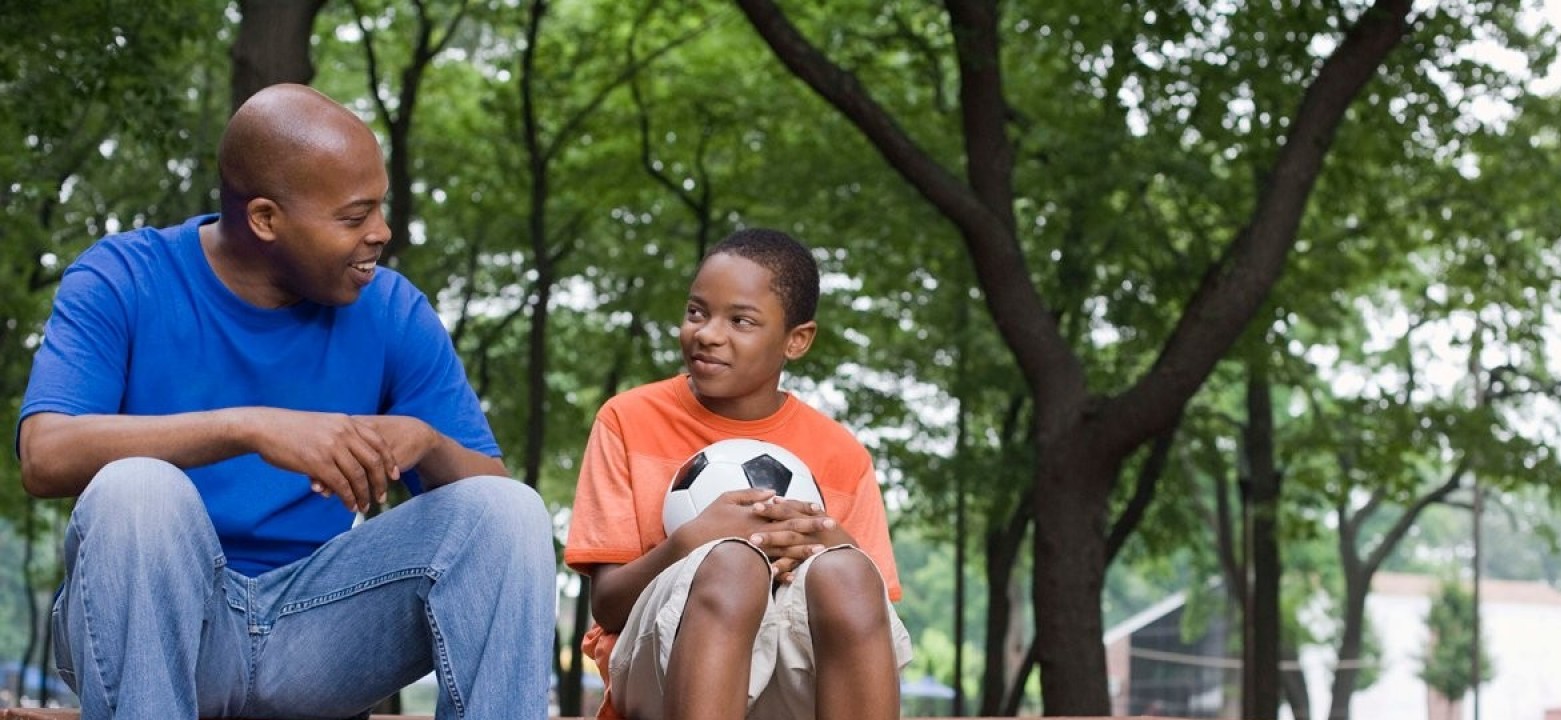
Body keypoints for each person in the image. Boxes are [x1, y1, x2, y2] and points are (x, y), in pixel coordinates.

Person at [16, 83, 556, 720]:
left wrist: (429, 441)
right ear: (266, 219)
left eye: (380, 209)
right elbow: (44, 454)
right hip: (159, 636)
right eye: (354, 217)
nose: (381, 233)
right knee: (137, 491)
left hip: (319, 633)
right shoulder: (124, 277)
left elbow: (493, 516)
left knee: (510, 510)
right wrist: (248, 427)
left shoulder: (391, 308)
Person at [565, 228, 913, 720]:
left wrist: (828, 542)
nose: (707, 332)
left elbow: (867, 622)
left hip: (795, 685)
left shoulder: (842, 455)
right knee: (730, 564)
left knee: (849, 571)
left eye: (741, 320)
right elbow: (608, 607)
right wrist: (693, 542)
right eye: (696, 312)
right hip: (657, 676)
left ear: (797, 340)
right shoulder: (628, 420)